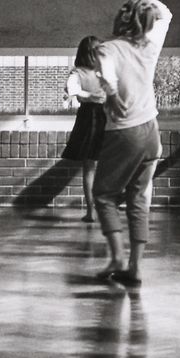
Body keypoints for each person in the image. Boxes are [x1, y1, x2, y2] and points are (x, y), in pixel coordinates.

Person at [91, 0, 173, 288]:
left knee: (103, 195)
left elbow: (107, 76)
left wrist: (112, 95)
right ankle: (135, 268)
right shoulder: (148, 47)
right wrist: (145, 0)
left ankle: (116, 259)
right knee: (139, 199)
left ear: (120, 20)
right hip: (151, 131)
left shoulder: (107, 48)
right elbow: (166, 14)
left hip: (124, 132)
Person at [61, 36, 108, 220]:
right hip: (106, 116)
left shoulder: (78, 72)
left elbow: (71, 90)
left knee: (89, 166)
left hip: (88, 118)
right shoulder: (103, 71)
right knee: (103, 165)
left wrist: (87, 96)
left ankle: (91, 211)